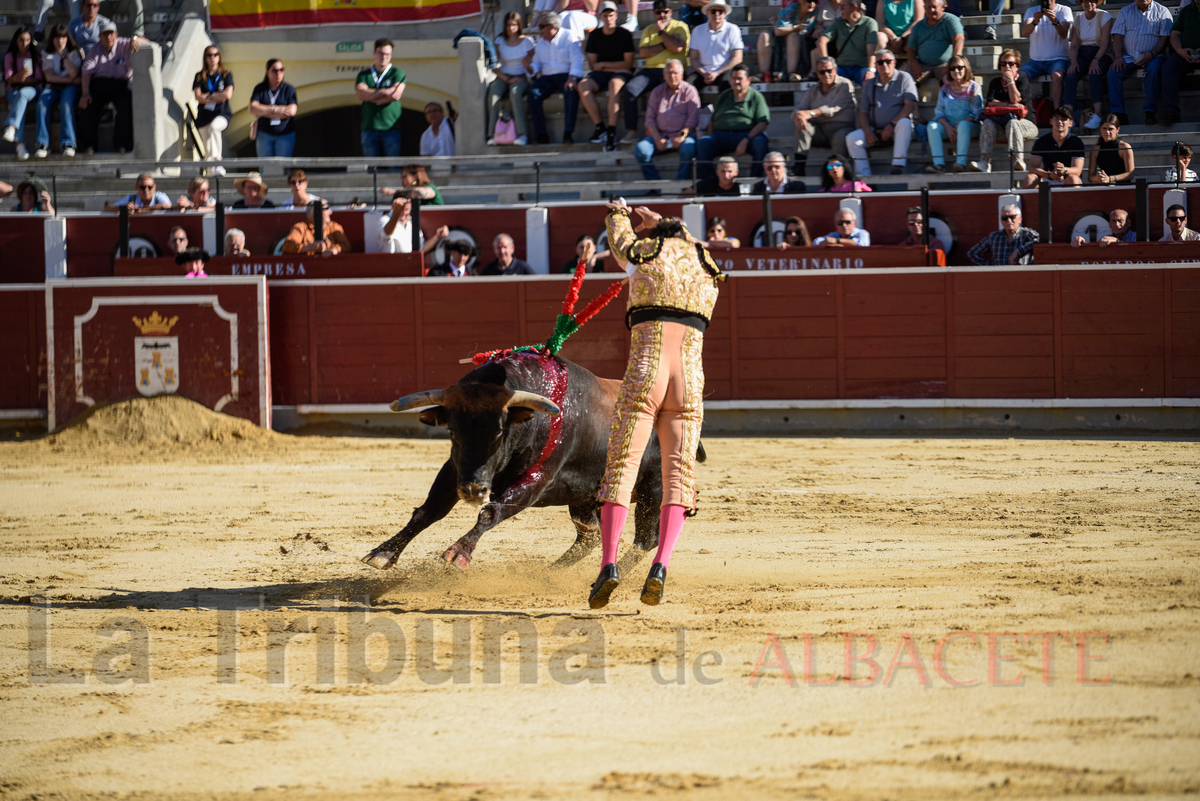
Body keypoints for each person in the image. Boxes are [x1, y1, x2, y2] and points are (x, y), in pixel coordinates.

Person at [588, 198, 725, 609]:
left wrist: (619, 213)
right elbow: (693, 245)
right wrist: (666, 223)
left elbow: (619, 244)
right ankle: (661, 565)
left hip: (647, 373)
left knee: (621, 467)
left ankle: (608, 564)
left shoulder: (645, 257)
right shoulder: (707, 268)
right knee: (679, 476)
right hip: (690, 382)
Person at [846, 48, 916, 176]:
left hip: (896, 129)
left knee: (905, 122)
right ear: (876, 66)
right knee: (852, 138)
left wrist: (891, 125)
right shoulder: (870, 84)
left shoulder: (904, 77)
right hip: (875, 130)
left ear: (894, 62)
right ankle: (864, 177)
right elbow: (863, 112)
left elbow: (910, 106)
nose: (884, 65)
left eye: (888, 61)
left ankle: (897, 165)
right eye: (880, 62)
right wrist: (867, 131)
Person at [79, 21, 146, 155]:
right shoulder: (95, 49)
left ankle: (122, 144)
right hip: (99, 84)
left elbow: (147, 41)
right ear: (100, 36)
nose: (108, 37)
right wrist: (85, 93)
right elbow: (86, 71)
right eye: (105, 34)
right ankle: (89, 146)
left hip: (120, 85)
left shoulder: (125, 43)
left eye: (111, 34)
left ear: (116, 35)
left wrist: (135, 39)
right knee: (87, 106)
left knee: (126, 107)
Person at [696, 64, 770, 180]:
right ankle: (709, 183)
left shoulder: (756, 97)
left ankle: (755, 182)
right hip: (721, 135)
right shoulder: (724, 95)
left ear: (748, 80)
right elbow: (713, 120)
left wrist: (746, 140)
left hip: (746, 135)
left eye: (739, 78)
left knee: (760, 142)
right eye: (733, 78)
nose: (736, 81)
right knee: (703, 143)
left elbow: (762, 123)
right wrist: (710, 135)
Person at [578, 1, 635, 151]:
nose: (609, 18)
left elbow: (628, 64)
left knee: (614, 85)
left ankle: (611, 131)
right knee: (582, 85)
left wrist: (604, 65)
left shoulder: (624, 34)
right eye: (605, 15)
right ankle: (600, 128)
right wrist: (607, 66)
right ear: (600, 17)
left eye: (611, 15)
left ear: (616, 15)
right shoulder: (595, 35)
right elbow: (592, 65)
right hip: (603, 73)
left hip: (619, 74)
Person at [972, 49, 1039, 174]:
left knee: (1013, 123)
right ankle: (984, 162)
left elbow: (1016, 99)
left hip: (1025, 124)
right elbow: (991, 102)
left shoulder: (1022, 82)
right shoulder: (995, 82)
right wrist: (1009, 105)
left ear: (1017, 67)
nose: (1007, 67)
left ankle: (1018, 160)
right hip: (1000, 125)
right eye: (1003, 64)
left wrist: (1010, 82)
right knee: (987, 123)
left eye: (1011, 64)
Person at [1107, 0, 1172, 126]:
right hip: (1129, 57)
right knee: (1113, 73)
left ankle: (1150, 112)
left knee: (1153, 71)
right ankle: (1119, 114)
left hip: (1154, 55)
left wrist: (1152, 53)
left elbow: (1164, 37)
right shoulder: (1125, 11)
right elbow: (1117, 36)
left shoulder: (1162, 11)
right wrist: (1118, 57)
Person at [633, 59, 700, 180]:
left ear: (682, 74)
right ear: (664, 75)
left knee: (689, 148)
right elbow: (649, 119)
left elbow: (693, 119)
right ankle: (655, 185)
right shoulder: (657, 91)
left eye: (675, 73)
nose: (672, 76)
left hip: (683, 135)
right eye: (669, 73)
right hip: (661, 135)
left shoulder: (690, 91)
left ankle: (681, 184)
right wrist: (658, 138)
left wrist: (682, 135)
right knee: (641, 149)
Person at [527, 13, 586, 146]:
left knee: (571, 91)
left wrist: (572, 77)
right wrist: (529, 68)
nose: (539, 30)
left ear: (552, 26)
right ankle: (541, 135)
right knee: (533, 94)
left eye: (542, 26)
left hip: (566, 74)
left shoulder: (569, 36)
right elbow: (536, 63)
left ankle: (568, 133)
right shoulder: (541, 43)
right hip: (547, 77)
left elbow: (577, 59)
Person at [792, 56, 857, 173]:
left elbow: (832, 108)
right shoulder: (813, 89)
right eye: (822, 72)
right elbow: (800, 108)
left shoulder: (845, 85)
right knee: (802, 127)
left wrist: (810, 113)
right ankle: (799, 167)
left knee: (841, 137)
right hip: (819, 130)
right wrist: (798, 117)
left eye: (829, 71)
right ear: (817, 74)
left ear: (835, 70)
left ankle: (841, 173)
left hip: (841, 128)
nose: (826, 74)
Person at [925, 54, 981, 173]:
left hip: (970, 126)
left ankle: (960, 163)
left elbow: (977, 112)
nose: (956, 71)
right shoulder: (944, 89)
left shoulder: (974, 88)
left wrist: (959, 125)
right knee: (932, 126)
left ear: (966, 69)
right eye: (952, 68)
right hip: (949, 127)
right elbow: (939, 111)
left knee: (963, 126)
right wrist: (948, 127)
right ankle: (939, 164)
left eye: (960, 67)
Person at [1064, 0, 1113, 130]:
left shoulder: (1105, 16)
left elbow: (1105, 44)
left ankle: (1098, 114)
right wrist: (1073, 61)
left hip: (1102, 53)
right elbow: (1074, 45)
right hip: (1082, 53)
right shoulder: (1078, 19)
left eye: (1092, 0)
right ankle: (1068, 116)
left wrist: (1096, 60)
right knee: (1070, 75)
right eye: (1085, 1)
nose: (1088, 3)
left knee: (1094, 73)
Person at [488, 12, 534, 147]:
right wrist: (506, 79)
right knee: (493, 95)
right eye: (508, 25)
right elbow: (493, 65)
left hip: (520, 75)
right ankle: (493, 135)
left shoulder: (527, 42)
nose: (511, 28)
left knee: (515, 94)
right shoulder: (499, 41)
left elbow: (534, 63)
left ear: (519, 25)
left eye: (514, 25)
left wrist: (528, 66)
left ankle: (522, 135)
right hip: (503, 75)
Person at [354, 39, 404, 158]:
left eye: (387, 54)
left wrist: (370, 96)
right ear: (374, 53)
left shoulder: (397, 73)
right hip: (369, 127)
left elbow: (396, 95)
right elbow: (361, 94)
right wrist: (385, 91)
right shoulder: (364, 75)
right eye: (381, 53)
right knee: (371, 169)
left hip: (391, 127)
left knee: (393, 168)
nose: (384, 57)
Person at [1018, 0, 1072, 110]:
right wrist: (1035, 21)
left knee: (1057, 77)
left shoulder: (1064, 10)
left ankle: (1057, 111)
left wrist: (1054, 20)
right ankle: (1022, 110)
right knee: (1019, 76)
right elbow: (1024, 33)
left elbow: (1063, 34)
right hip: (1035, 60)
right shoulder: (1032, 10)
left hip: (1058, 58)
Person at [36, 25, 81, 158]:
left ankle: (68, 143)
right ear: (52, 39)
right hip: (53, 87)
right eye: (57, 37)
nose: (60, 41)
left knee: (66, 104)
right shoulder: (47, 54)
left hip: (69, 88)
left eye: (63, 37)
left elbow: (74, 73)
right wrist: (71, 80)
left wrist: (65, 57)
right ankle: (42, 143)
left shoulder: (74, 53)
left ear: (67, 39)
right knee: (41, 103)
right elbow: (49, 76)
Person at [688, 0, 744, 96]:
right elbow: (693, 57)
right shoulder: (697, 30)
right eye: (713, 11)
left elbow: (738, 58)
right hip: (703, 71)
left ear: (725, 14)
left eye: (720, 11)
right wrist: (703, 73)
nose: (717, 14)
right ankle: (694, 110)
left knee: (727, 84)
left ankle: (725, 110)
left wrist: (717, 73)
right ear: (707, 13)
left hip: (724, 70)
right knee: (687, 87)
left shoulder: (732, 29)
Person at [4, 28, 43, 162]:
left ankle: (12, 128)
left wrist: (26, 79)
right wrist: (17, 76)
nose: (24, 43)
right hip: (13, 90)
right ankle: (19, 145)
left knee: (23, 95)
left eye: (27, 40)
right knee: (21, 100)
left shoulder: (35, 55)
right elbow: (8, 79)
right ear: (16, 41)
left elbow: (39, 78)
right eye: (21, 40)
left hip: (31, 89)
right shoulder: (10, 56)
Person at [1023, 106, 1085, 188]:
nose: (1059, 122)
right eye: (1056, 118)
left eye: (1063, 119)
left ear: (1071, 123)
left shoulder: (1076, 142)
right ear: (1051, 121)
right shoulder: (1041, 141)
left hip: (1068, 178)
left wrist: (1064, 170)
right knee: (1030, 178)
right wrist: (1049, 175)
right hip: (1048, 178)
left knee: (1073, 178)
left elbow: (1077, 170)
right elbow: (1032, 168)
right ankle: (1029, 201)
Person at [818, 0, 878, 85]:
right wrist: (827, 65)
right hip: (842, 67)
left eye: (843, 7)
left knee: (869, 81)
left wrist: (871, 70)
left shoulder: (869, 23)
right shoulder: (838, 22)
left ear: (854, 8)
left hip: (861, 66)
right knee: (828, 78)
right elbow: (821, 41)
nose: (840, 9)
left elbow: (871, 51)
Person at [1160, 0, 1200, 127]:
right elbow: (1175, 33)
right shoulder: (1187, 10)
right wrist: (1179, 50)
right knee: (1168, 69)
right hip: (1185, 54)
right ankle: (1172, 112)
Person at [758, 0, 819, 81]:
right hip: (782, 39)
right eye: (808, 0)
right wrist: (796, 27)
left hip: (803, 43)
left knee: (793, 36)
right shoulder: (791, 8)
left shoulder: (816, 11)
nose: (812, 4)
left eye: (815, 0)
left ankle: (792, 73)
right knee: (764, 35)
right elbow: (778, 31)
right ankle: (764, 74)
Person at [906, 0, 963, 86]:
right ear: (924, 8)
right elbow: (911, 48)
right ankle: (910, 100)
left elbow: (959, 38)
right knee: (906, 83)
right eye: (928, 7)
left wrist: (952, 63)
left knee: (952, 81)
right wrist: (914, 64)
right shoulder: (918, 26)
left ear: (942, 7)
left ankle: (951, 99)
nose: (931, 10)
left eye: (934, 7)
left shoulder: (951, 20)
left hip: (945, 64)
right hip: (923, 65)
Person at [249, 59, 298, 158]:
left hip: (285, 135)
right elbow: (253, 108)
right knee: (265, 168)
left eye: (281, 70)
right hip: (264, 134)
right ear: (267, 72)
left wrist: (263, 111)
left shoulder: (289, 89)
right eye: (275, 70)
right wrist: (276, 110)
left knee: (283, 169)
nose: (278, 73)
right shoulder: (260, 88)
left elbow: (292, 111)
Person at [193, 45, 233, 164]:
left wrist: (208, 97)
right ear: (205, 58)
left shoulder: (226, 75)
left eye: (215, 55)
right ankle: (212, 175)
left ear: (219, 57)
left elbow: (227, 95)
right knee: (208, 153)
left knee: (214, 127)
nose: (212, 58)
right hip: (204, 116)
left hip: (222, 113)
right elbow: (198, 97)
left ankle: (218, 159)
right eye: (209, 55)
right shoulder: (200, 76)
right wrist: (217, 96)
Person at [967, 203, 1038, 265]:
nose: (1009, 220)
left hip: (1022, 276)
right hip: (998, 277)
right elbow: (972, 253)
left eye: (1012, 217)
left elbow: (1041, 239)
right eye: (1005, 218)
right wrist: (989, 267)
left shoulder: (1027, 234)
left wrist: (1019, 252)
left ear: (1020, 218)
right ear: (1001, 220)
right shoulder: (993, 237)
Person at [377, 195, 449, 254]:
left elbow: (421, 248)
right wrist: (396, 212)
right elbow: (387, 232)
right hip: (391, 266)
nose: (403, 213)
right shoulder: (385, 219)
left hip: (409, 265)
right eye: (401, 209)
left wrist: (437, 236)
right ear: (393, 206)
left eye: (406, 209)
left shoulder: (412, 222)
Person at [282, 201, 352, 256]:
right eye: (326, 208)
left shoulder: (334, 226)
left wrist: (334, 250)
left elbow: (346, 246)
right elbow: (287, 246)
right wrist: (308, 247)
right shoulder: (301, 227)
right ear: (314, 212)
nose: (330, 212)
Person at [1088, 114, 1133, 184]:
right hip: (1103, 184)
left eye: (1110, 129)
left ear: (1117, 130)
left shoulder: (1124, 147)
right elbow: (1090, 177)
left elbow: (1130, 174)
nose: (1107, 132)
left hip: (1122, 186)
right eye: (1104, 128)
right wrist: (1099, 178)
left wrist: (1110, 178)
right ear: (1100, 129)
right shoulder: (1095, 150)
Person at [381, 165, 445, 206]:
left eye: (405, 177)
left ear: (415, 177)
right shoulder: (405, 193)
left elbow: (420, 193)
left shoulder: (431, 187)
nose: (402, 181)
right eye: (401, 177)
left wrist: (395, 192)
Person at [104, 173, 170, 212]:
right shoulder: (131, 198)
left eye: (150, 187)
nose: (146, 190)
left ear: (154, 187)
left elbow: (168, 206)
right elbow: (107, 208)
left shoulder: (159, 196)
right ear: (136, 187)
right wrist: (124, 208)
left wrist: (141, 210)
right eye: (142, 187)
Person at [1071, 207, 1136, 246]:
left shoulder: (1137, 237)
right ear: (1109, 224)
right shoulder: (1105, 239)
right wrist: (1080, 241)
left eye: (1120, 221)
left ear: (1128, 223)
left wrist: (1116, 241)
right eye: (1113, 221)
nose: (1116, 224)